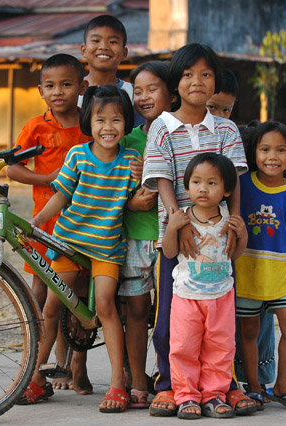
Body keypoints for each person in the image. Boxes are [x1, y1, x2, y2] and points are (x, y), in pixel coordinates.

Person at [142, 43, 255, 417]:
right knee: (170, 318)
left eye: (206, 74)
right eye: (188, 74)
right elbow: (161, 179)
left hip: (218, 241)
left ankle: (223, 387)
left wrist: (235, 227)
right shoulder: (161, 126)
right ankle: (170, 386)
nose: (197, 82)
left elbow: (234, 182)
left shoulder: (225, 129)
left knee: (221, 322)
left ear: (216, 83)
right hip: (175, 238)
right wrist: (179, 223)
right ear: (176, 82)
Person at [30, 85, 140, 413]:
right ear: (88, 123)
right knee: (52, 307)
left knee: (106, 305)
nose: (108, 127)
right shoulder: (77, 155)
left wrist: (143, 178)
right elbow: (61, 195)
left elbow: (136, 199)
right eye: (100, 120)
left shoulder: (131, 161)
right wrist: (38, 221)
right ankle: (35, 378)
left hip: (106, 248)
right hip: (70, 242)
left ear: (127, 123)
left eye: (117, 120)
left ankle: (118, 382)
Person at [7, 53, 93, 401]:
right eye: (50, 86)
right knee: (42, 296)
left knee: (78, 299)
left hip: (84, 225)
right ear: (40, 90)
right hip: (45, 226)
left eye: (67, 84)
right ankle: (38, 369)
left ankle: (76, 367)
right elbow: (13, 169)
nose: (59, 92)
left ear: (82, 87)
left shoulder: (90, 123)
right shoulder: (35, 127)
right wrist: (48, 178)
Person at [162, 153, 248, 419]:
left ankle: (214, 395)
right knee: (183, 347)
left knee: (220, 348)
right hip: (187, 297)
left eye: (212, 183)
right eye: (196, 182)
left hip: (221, 296)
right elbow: (168, 252)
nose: (203, 188)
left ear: (227, 189)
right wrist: (170, 229)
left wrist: (242, 234)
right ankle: (186, 396)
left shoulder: (228, 220)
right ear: (186, 186)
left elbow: (235, 254)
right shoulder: (181, 219)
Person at [236, 120, 286, 411]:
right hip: (247, 271)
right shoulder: (242, 184)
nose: (272, 156)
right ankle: (254, 387)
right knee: (250, 330)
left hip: (281, 273)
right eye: (265, 149)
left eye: (281, 150)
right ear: (253, 153)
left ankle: (283, 385)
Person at [118, 61, 173, 408]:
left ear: (171, 92)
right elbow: (112, 190)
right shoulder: (128, 140)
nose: (143, 97)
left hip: (170, 238)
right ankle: (138, 380)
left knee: (168, 314)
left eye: (152, 89)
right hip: (136, 238)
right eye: (137, 90)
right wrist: (134, 191)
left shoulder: (180, 133)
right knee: (136, 311)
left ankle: (167, 376)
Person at [79, 14, 144, 126]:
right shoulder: (73, 92)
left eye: (113, 42)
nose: (104, 46)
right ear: (84, 50)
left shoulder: (134, 94)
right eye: (96, 40)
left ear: (124, 53)